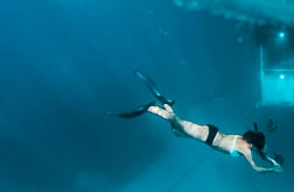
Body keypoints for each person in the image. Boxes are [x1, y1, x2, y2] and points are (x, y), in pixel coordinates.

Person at [110, 70, 283, 174]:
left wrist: (272, 161)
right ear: (255, 145)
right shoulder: (246, 150)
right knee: (175, 121)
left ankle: (164, 105)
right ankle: (155, 107)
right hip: (206, 136)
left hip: (210, 133)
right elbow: (255, 168)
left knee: (176, 132)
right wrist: (271, 170)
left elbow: (263, 152)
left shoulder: (247, 139)